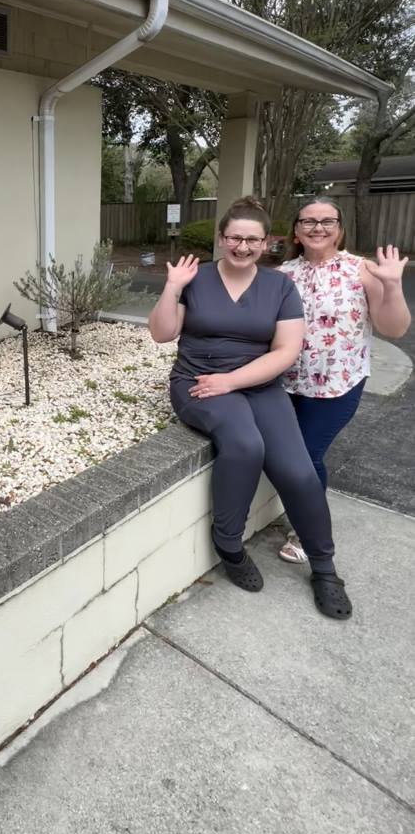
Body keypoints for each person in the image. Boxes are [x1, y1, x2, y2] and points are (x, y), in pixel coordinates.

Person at [147, 195, 352, 619]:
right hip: (199, 382)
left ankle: (325, 569)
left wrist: (235, 379)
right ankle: (229, 543)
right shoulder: (196, 279)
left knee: (297, 470)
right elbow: (162, 334)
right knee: (244, 445)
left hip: (258, 384)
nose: (242, 247)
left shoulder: (280, 286)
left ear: (267, 243)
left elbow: (286, 350)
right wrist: (171, 287)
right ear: (222, 239)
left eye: (252, 240)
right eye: (234, 238)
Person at [276, 197, 410, 563]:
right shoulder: (282, 274)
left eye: (327, 221)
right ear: (297, 231)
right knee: (295, 457)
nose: (318, 227)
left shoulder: (362, 269)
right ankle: (305, 517)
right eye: (308, 221)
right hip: (285, 384)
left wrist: (393, 285)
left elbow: (393, 328)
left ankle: (309, 532)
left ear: (339, 228)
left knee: (306, 455)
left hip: (337, 385)